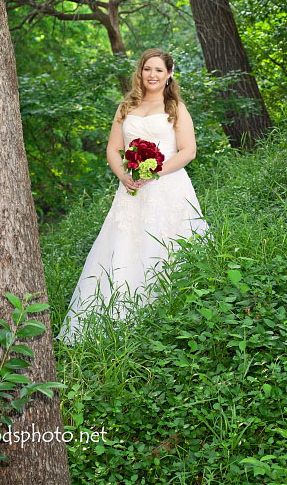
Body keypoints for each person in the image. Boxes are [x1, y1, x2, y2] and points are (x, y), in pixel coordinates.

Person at [57, 49, 208, 344]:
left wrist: (155, 171)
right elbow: (113, 149)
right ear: (140, 73)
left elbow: (188, 151)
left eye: (159, 70)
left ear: (169, 75)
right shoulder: (126, 106)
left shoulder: (175, 107)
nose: (152, 75)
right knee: (124, 247)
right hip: (131, 189)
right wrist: (124, 175)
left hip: (167, 187)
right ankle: (118, 323)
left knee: (165, 246)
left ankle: (168, 320)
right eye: (147, 69)